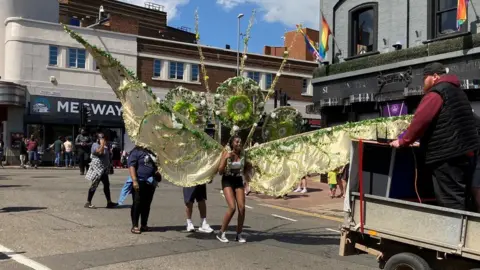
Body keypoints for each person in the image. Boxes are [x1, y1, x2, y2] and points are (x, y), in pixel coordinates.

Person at [390, 62, 480, 211]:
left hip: (446, 155)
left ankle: (454, 232)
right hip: (464, 154)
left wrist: (403, 141)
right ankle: (466, 231)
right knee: (460, 195)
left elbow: (421, 120)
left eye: (425, 78)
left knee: (450, 201)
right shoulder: (458, 91)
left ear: (435, 77)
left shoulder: (436, 93)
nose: (423, 83)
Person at [217, 135, 246, 243]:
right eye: (237, 142)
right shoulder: (227, 153)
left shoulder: (243, 154)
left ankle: (239, 234)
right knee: (232, 207)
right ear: (232, 143)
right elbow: (220, 171)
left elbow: (246, 167)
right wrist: (225, 159)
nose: (239, 144)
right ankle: (221, 232)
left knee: (242, 208)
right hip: (227, 180)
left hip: (238, 180)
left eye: (240, 142)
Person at [128, 146, 161, 234]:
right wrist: (134, 180)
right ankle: (135, 226)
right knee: (137, 203)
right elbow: (132, 166)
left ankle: (144, 225)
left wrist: (157, 171)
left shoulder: (152, 151)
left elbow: (156, 165)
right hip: (139, 181)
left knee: (147, 204)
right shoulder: (136, 151)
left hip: (151, 182)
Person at [84, 133, 118, 209]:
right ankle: (88, 202)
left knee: (106, 185)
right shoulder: (95, 145)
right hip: (97, 169)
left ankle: (109, 202)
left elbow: (107, 157)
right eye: (102, 138)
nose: (104, 139)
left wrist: (110, 166)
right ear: (98, 139)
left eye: (104, 138)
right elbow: (99, 153)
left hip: (104, 169)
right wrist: (102, 145)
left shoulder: (105, 146)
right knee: (94, 185)